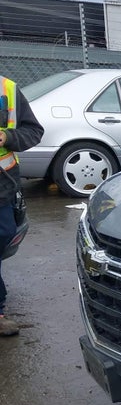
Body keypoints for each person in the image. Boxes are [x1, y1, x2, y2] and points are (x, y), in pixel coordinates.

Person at [0, 75, 44, 336]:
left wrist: (7, 137)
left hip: (2, 186)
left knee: (4, 235)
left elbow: (33, 132)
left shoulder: (7, 88)